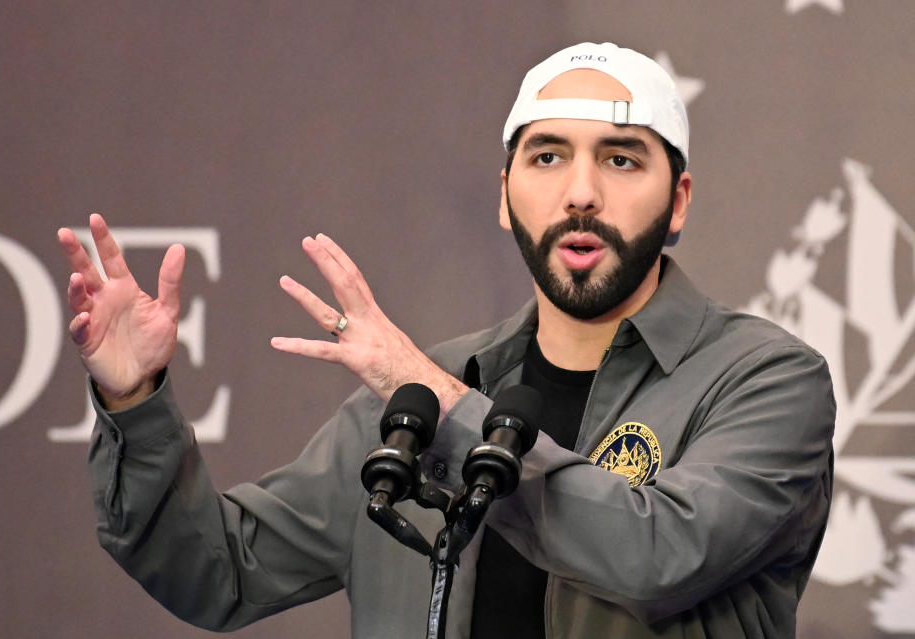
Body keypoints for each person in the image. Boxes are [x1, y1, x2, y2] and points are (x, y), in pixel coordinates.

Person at [57, 42, 835, 638]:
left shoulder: (765, 379)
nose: (581, 191)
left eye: (622, 158)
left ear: (678, 201)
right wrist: (134, 401)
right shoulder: (415, 403)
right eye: (548, 155)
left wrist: (435, 397)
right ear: (504, 197)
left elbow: (659, 555)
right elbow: (215, 569)